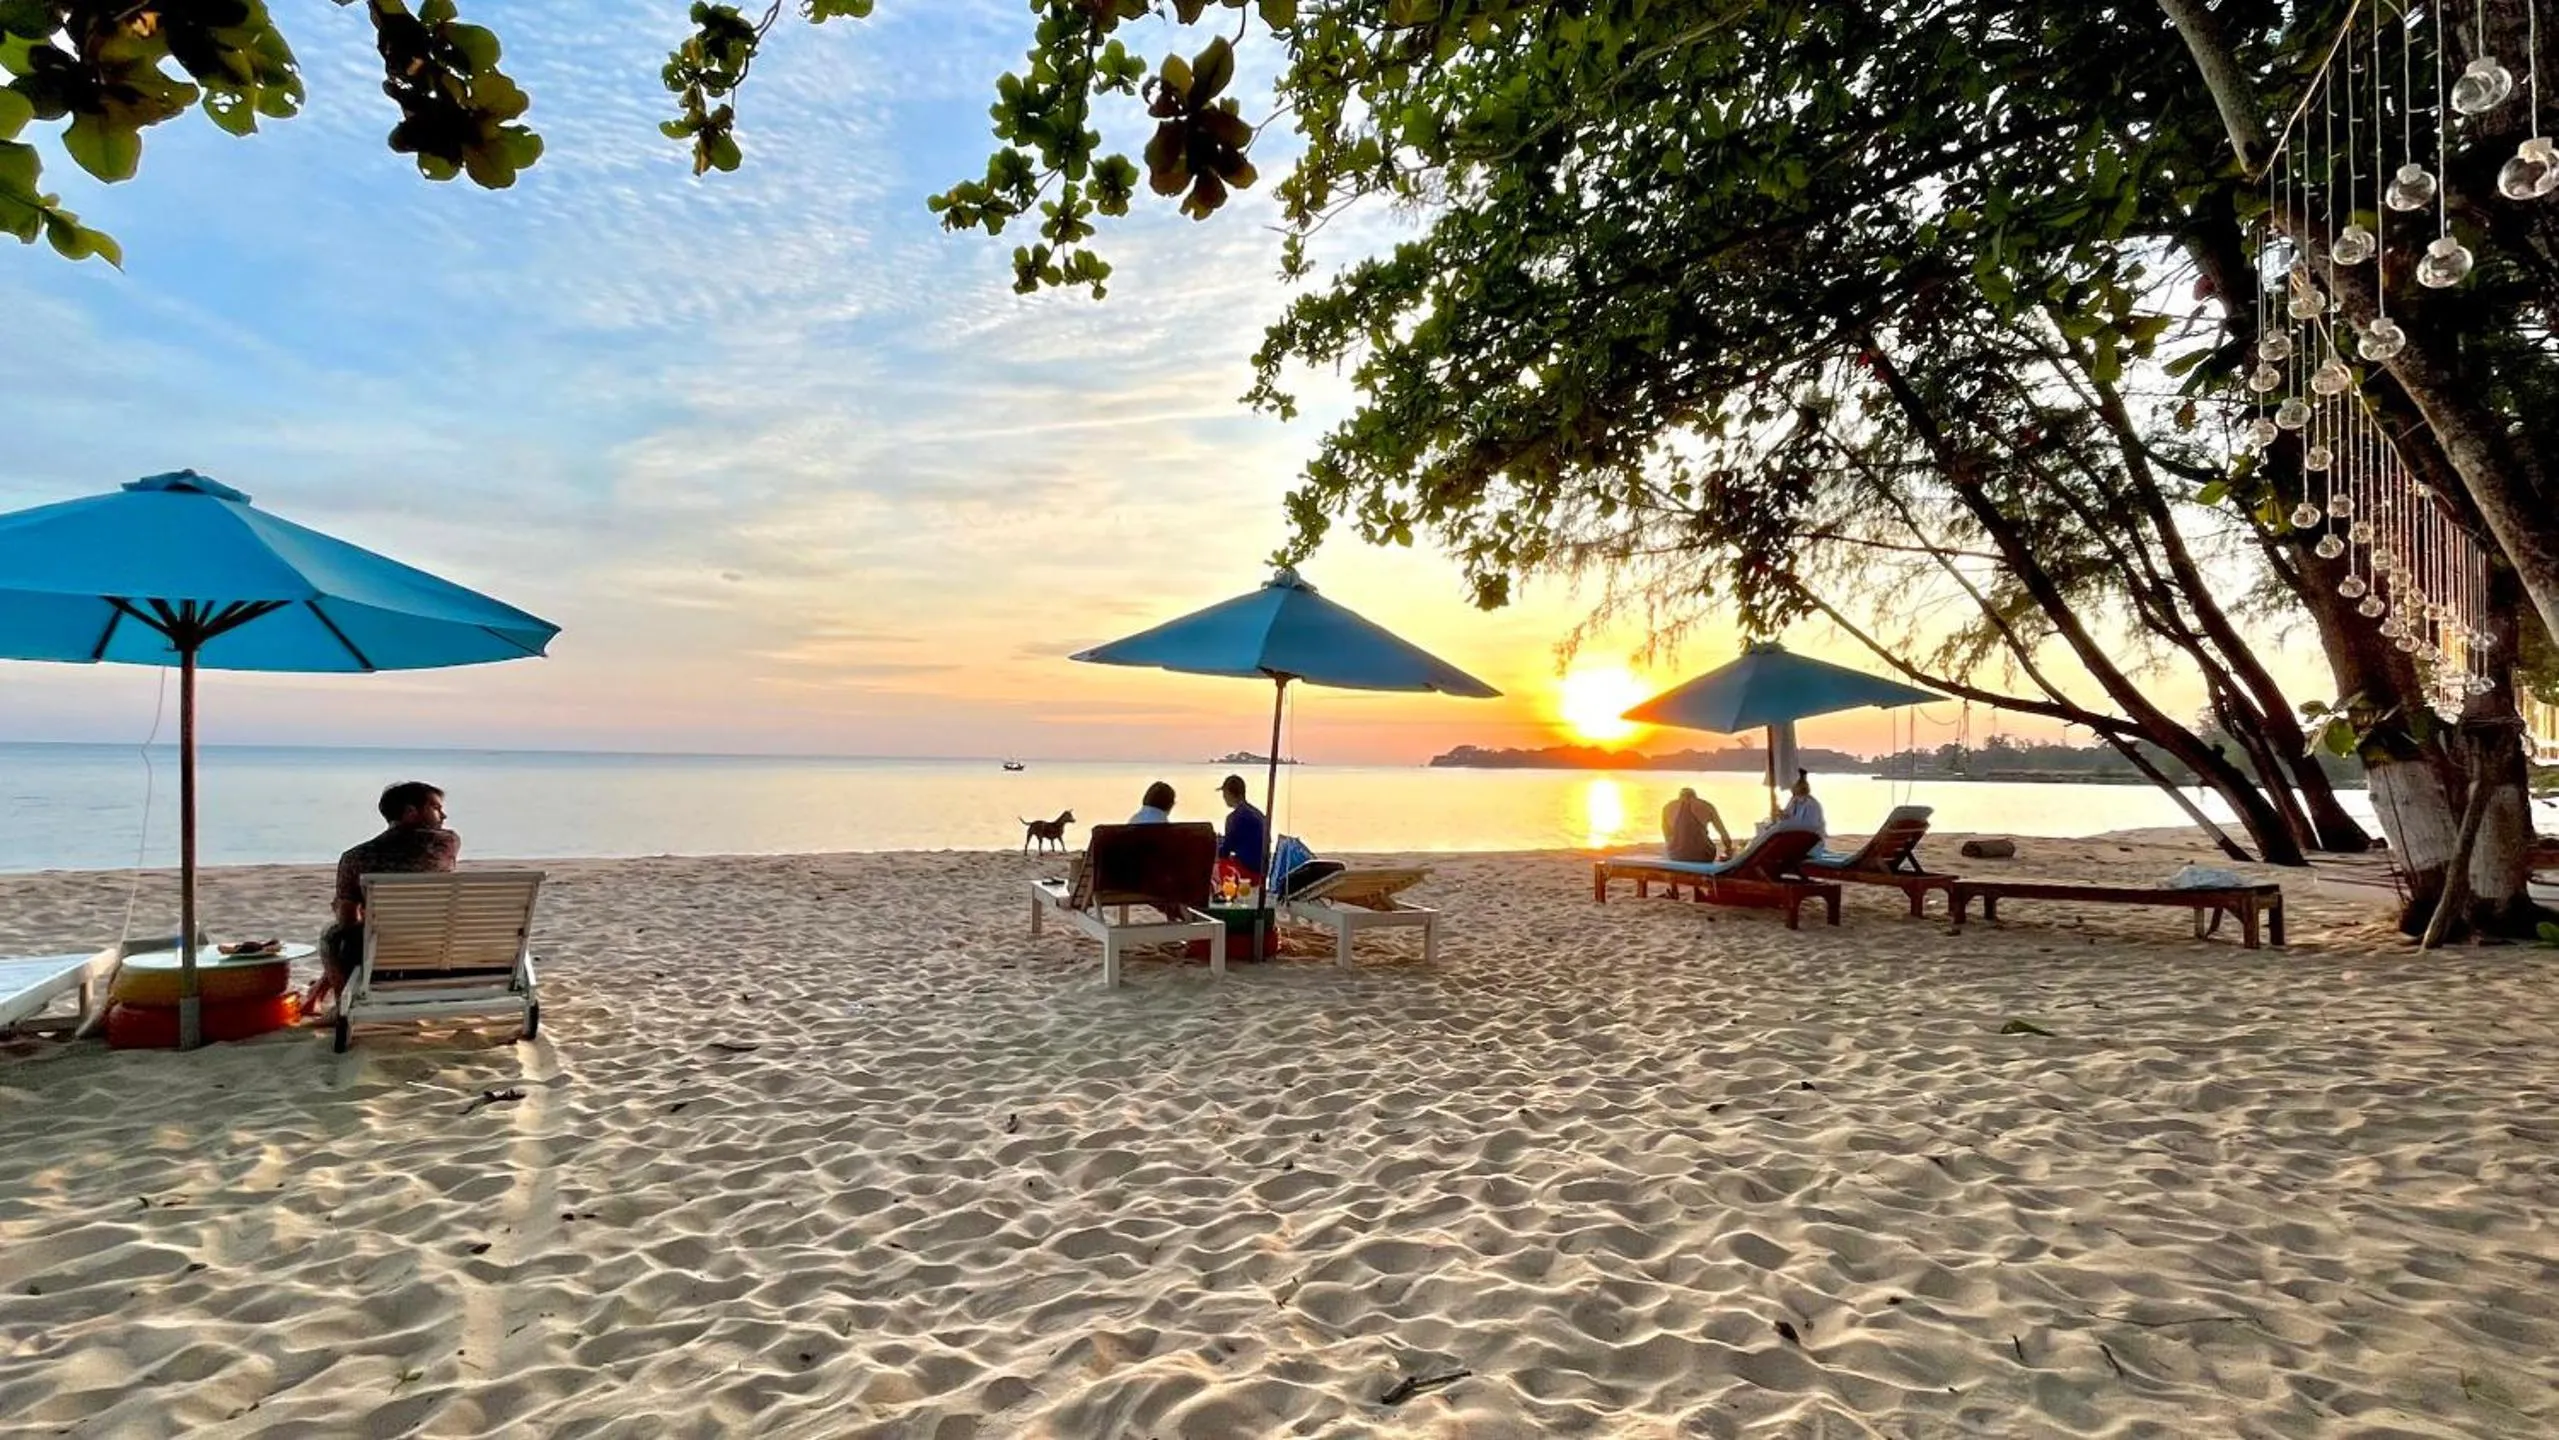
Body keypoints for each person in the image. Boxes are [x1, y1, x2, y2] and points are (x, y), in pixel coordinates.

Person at [304, 781, 460, 1014]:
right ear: (410, 812)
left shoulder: (355, 857)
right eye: (436, 807)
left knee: (333, 934)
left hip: (383, 951)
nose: (443, 814)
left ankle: (340, 1006)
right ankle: (319, 991)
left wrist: (345, 909)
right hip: (438, 944)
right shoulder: (448, 843)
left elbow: (347, 921)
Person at [1216, 774, 1268, 883]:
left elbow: (1225, 852)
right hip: (1262, 871)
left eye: (1224, 794)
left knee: (1213, 863)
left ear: (1229, 794)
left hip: (1247, 872)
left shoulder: (1233, 818)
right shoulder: (1258, 814)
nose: (1224, 797)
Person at [1661, 787, 1732, 863]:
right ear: (1695, 795)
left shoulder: (1667, 807)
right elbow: (1723, 832)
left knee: (1673, 846)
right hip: (1703, 855)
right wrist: (1728, 849)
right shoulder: (1706, 806)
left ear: (1680, 796)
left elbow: (1667, 835)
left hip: (1677, 855)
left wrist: (1675, 846)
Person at [1769, 770, 1827, 841]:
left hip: (1812, 839)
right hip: (1800, 834)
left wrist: (1785, 823)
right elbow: (1789, 814)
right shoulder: (1794, 800)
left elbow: (1811, 825)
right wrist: (1782, 814)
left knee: (1779, 827)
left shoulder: (1811, 804)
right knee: (1776, 827)